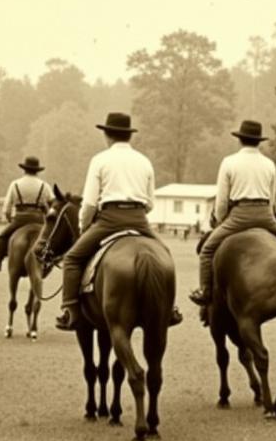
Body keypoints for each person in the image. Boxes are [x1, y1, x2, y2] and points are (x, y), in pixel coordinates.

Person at [55, 112, 183, 331]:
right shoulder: (144, 161)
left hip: (109, 220)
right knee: (165, 254)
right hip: (139, 220)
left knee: (73, 259)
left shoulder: (100, 160)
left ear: (107, 135)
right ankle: (168, 309)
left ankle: (70, 311)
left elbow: (89, 204)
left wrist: (84, 226)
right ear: (129, 136)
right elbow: (150, 203)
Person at [188, 120, 276, 307]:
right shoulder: (269, 164)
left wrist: (221, 219)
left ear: (240, 140)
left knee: (207, 250)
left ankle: (205, 292)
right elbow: (271, 199)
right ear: (259, 141)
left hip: (239, 216)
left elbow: (222, 201)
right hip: (266, 215)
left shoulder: (229, 162)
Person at [0, 155, 54, 272]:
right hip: (38, 220)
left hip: (20, 219)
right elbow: (53, 204)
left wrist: (10, 220)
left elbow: (6, 209)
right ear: (37, 171)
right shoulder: (45, 185)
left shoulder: (15, 184)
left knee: (3, 236)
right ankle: (49, 262)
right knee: (50, 240)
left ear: (24, 169)